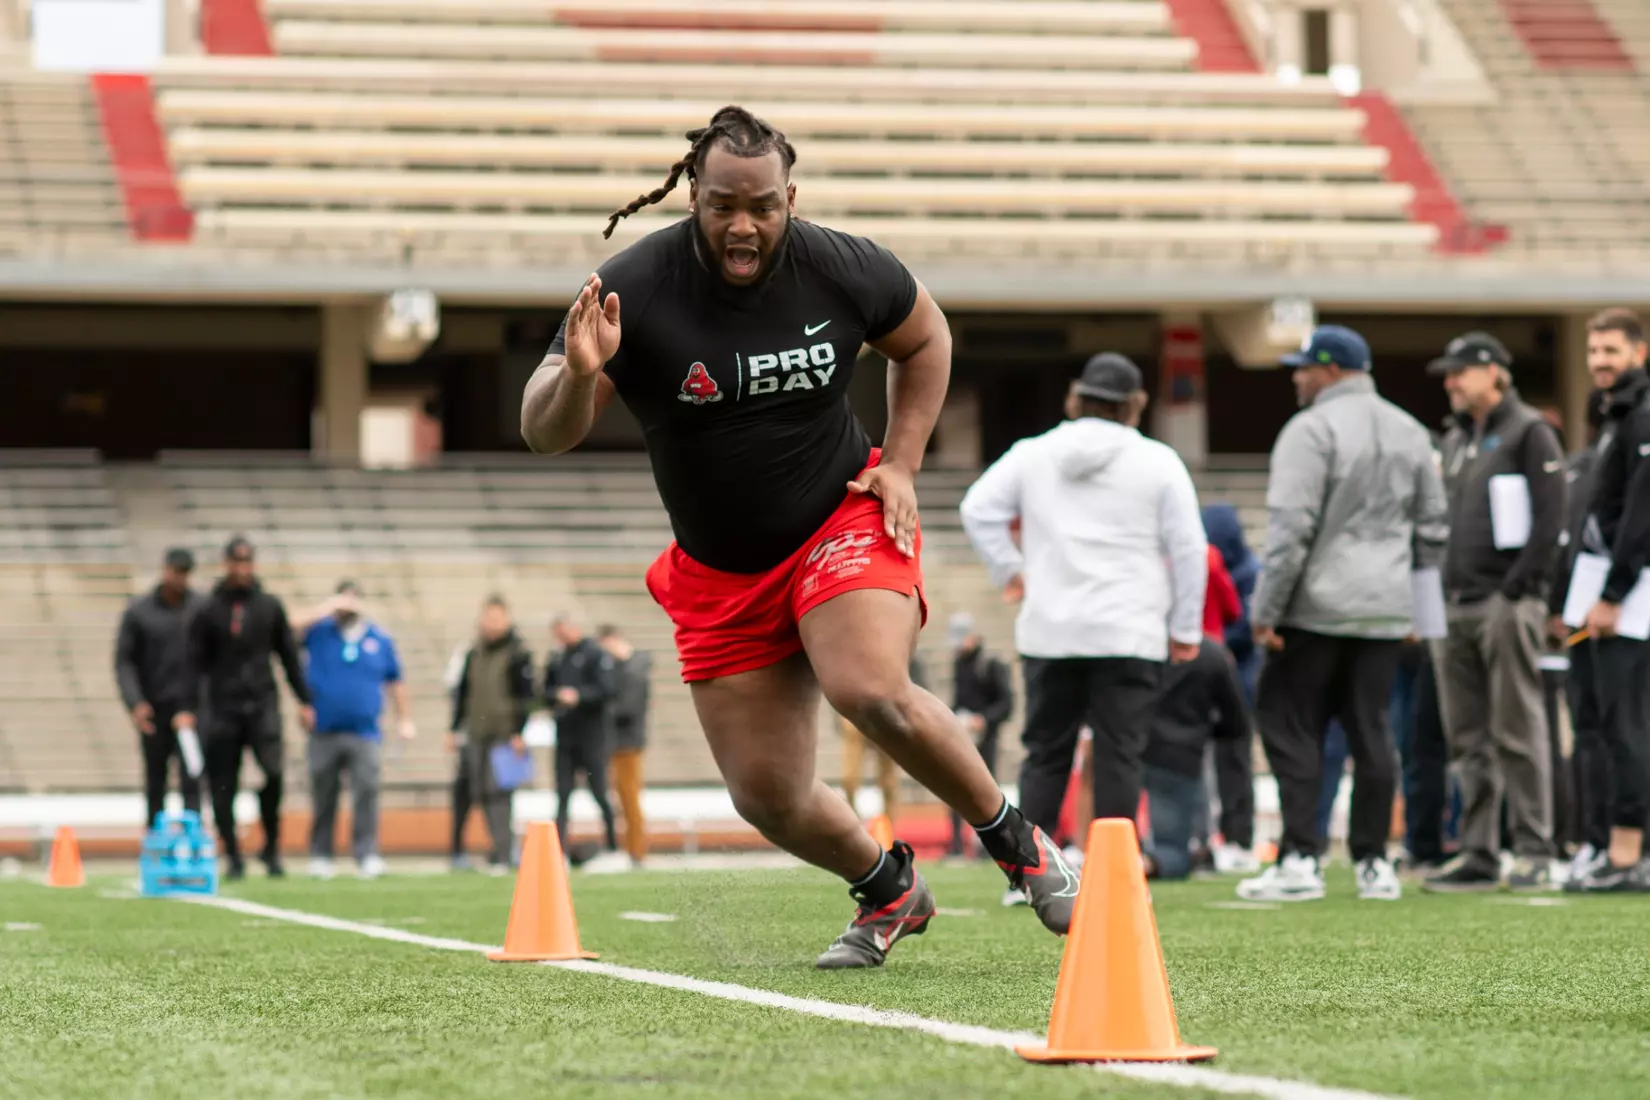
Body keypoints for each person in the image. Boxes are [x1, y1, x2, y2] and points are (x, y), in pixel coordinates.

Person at [521, 105, 1076, 969]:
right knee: (767, 796)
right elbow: (543, 430)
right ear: (691, 196)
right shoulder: (636, 288)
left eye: (764, 206)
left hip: (838, 520)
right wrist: (581, 376)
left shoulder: (843, 266)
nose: (743, 225)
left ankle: (1018, 844)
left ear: (790, 197)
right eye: (721, 206)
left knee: (868, 687)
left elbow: (926, 338)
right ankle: (890, 891)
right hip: (719, 571)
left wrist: (900, 463)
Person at [961, 352, 1207, 859]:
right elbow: (1187, 548)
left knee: (1046, 752)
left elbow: (977, 508)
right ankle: (1116, 869)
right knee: (1121, 753)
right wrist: (1185, 626)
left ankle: (1031, 872)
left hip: (1051, 628)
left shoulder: (1033, 453)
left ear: (1076, 397)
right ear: (1135, 405)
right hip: (1129, 629)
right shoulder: (1159, 461)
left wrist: (1010, 570)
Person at [1238, 325, 1448, 903]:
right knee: (1373, 731)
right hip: (1385, 610)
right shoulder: (1411, 431)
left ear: (1329, 370)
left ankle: (1302, 857)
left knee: (1291, 726)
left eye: (1303, 367)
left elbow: (1290, 531)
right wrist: (1423, 615)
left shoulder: (1310, 430)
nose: (1297, 377)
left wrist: (1266, 611)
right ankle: (1373, 862)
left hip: (1316, 607)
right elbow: (1433, 530)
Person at [1422, 332, 1565, 891]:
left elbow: (1552, 520)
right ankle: (1478, 850)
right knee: (1467, 737)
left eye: (1460, 372)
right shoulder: (1457, 438)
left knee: (1518, 728)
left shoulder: (1529, 432)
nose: (1451, 383)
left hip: (1503, 604)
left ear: (1494, 372)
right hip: (1454, 603)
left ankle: (1534, 847)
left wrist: (1517, 590)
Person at [1567, 307, 1650, 892]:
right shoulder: (1616, 415)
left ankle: (1628, 855)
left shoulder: (1642, 416)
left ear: (1639, 352)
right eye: (1593, 351)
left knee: (1626, 726)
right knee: (1607, 722)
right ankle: (1614, 848)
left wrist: (1613, 594)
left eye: (1611, 352)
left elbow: (1642, 516)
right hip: (1610, 589)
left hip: (1632, 594)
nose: (1599, 362)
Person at [175, 536, 312, 880]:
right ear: (226, 564)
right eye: (236, 563)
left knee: (274, 772)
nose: (242, 569)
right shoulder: (207, 610)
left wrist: (305, 700)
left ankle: (271, 848)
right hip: (222, 709)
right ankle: (233, 855)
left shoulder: (269, 605)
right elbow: (192, 662)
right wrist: (187, 707)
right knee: (223, 784)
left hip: (263, 705)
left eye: (247, 562)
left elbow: (289, 658)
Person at [290, 581, 414, 880]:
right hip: (324, 730)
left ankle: (367, 853)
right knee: (323, 795)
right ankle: (321, 854)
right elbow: (287, 627)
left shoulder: (378, 639)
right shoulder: (319, 632)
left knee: (367, 793)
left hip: (365, 732)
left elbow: (395, 681)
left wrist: (404, 719)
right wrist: (326, 608)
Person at [1550, 388, 1612, 880]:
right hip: (1588, 616)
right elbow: (1564, 543)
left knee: (1607, 732)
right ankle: (1595, 838)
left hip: (1616, 612)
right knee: (1594, 731)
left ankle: (1604, 840)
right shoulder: (1579, 469)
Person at [1143, 638, 1250, 880]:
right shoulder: (1210, 654)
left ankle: (1112, 860)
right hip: (1181, 755)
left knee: (1114, 831)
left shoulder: (1137, 642)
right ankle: (1143, 864)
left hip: (1126, 752)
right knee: (1174, 850)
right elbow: (1236, 720)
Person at [115, 547, 206, 827]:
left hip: (191, 713)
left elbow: (211, 662)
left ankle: (192, 847)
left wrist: (196, 707)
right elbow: (124, 662)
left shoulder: (201, 609)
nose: (180, 578)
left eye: (185, 573)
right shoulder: (140, 612)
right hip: (155, 711)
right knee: (156, 781)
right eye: (176, 571)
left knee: (193, 779)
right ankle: (156, 846)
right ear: (165, 570)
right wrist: (136, 703)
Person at [448, 596, 535, 874]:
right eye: (488, 617)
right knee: (479, 791)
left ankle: (502, 853)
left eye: (497, 617)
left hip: (504, 734)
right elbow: (462, 693)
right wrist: (453, 728)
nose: (492, 623)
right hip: (477, 732)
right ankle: (496, 849)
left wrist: (520, 731)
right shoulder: (473, 653)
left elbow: (528, 696)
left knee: (499, 793)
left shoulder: (519, 654)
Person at [545, 615, 619, 856]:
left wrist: (579, 696)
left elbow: (607, 690)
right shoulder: (556, 658)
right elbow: (545, 690)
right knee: (562, 795)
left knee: (599, 792)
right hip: (565, 737)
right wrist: (556, 696)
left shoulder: (594, 654)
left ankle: (612, 846)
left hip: (591, 737)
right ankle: (559, 850)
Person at [945, 612, 1014, 860]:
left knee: (986, 792)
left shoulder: (991, 664)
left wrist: (983, 719)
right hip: (963, 737)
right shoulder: (959, 663)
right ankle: (955, 844)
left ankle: (988, 846)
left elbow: (1006, 704)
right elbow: (958, 699)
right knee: (953, 787)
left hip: (987, 740)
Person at [599, 624, 652, 866]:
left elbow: (628, 708)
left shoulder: (634, 669)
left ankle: (637, 851)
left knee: (630, 798)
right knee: (623, 798)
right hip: (620, 741)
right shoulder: (625, 668)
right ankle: (631, 849)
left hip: (628, 742)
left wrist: (602, 710)